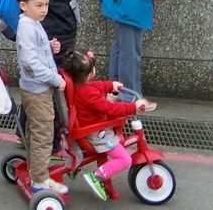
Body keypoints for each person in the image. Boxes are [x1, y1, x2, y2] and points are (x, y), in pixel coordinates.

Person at [60, 49, 153, 201]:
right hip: (97, 133)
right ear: (89, 73)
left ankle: (78, 169)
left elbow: (96, 86)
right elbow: (109, 109)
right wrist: (133, 107)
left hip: (90, 127)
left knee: (115, 112)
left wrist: (111, 85)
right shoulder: (88, 93)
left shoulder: (81, 86)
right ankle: (97, 177)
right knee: (125, 160)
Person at [16, 0, 68, 196]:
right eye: (39, 5)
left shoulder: (32, 24)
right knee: (43, 134)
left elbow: (35, 53)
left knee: (34, 131)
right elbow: (30, 64)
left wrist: (49, 46)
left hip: (36, 88)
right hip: (38, 91)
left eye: (46, 4)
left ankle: (34, 168)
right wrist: (55, 78)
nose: (44, 9)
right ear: (23, 5)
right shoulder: (27, 27)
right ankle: (39, 180)